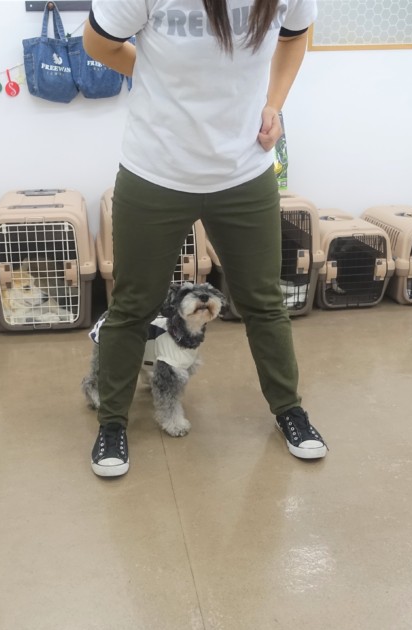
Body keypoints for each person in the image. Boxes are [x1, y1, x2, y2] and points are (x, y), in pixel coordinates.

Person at [84, 0, 326, 478]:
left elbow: (296, 34)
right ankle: (112, 423)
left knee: (263, 301)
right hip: (155, 170)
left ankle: (289, 411)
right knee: (133, 304)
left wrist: (274, 102)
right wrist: (152, 76)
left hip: (243, 170)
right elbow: (99, 43)